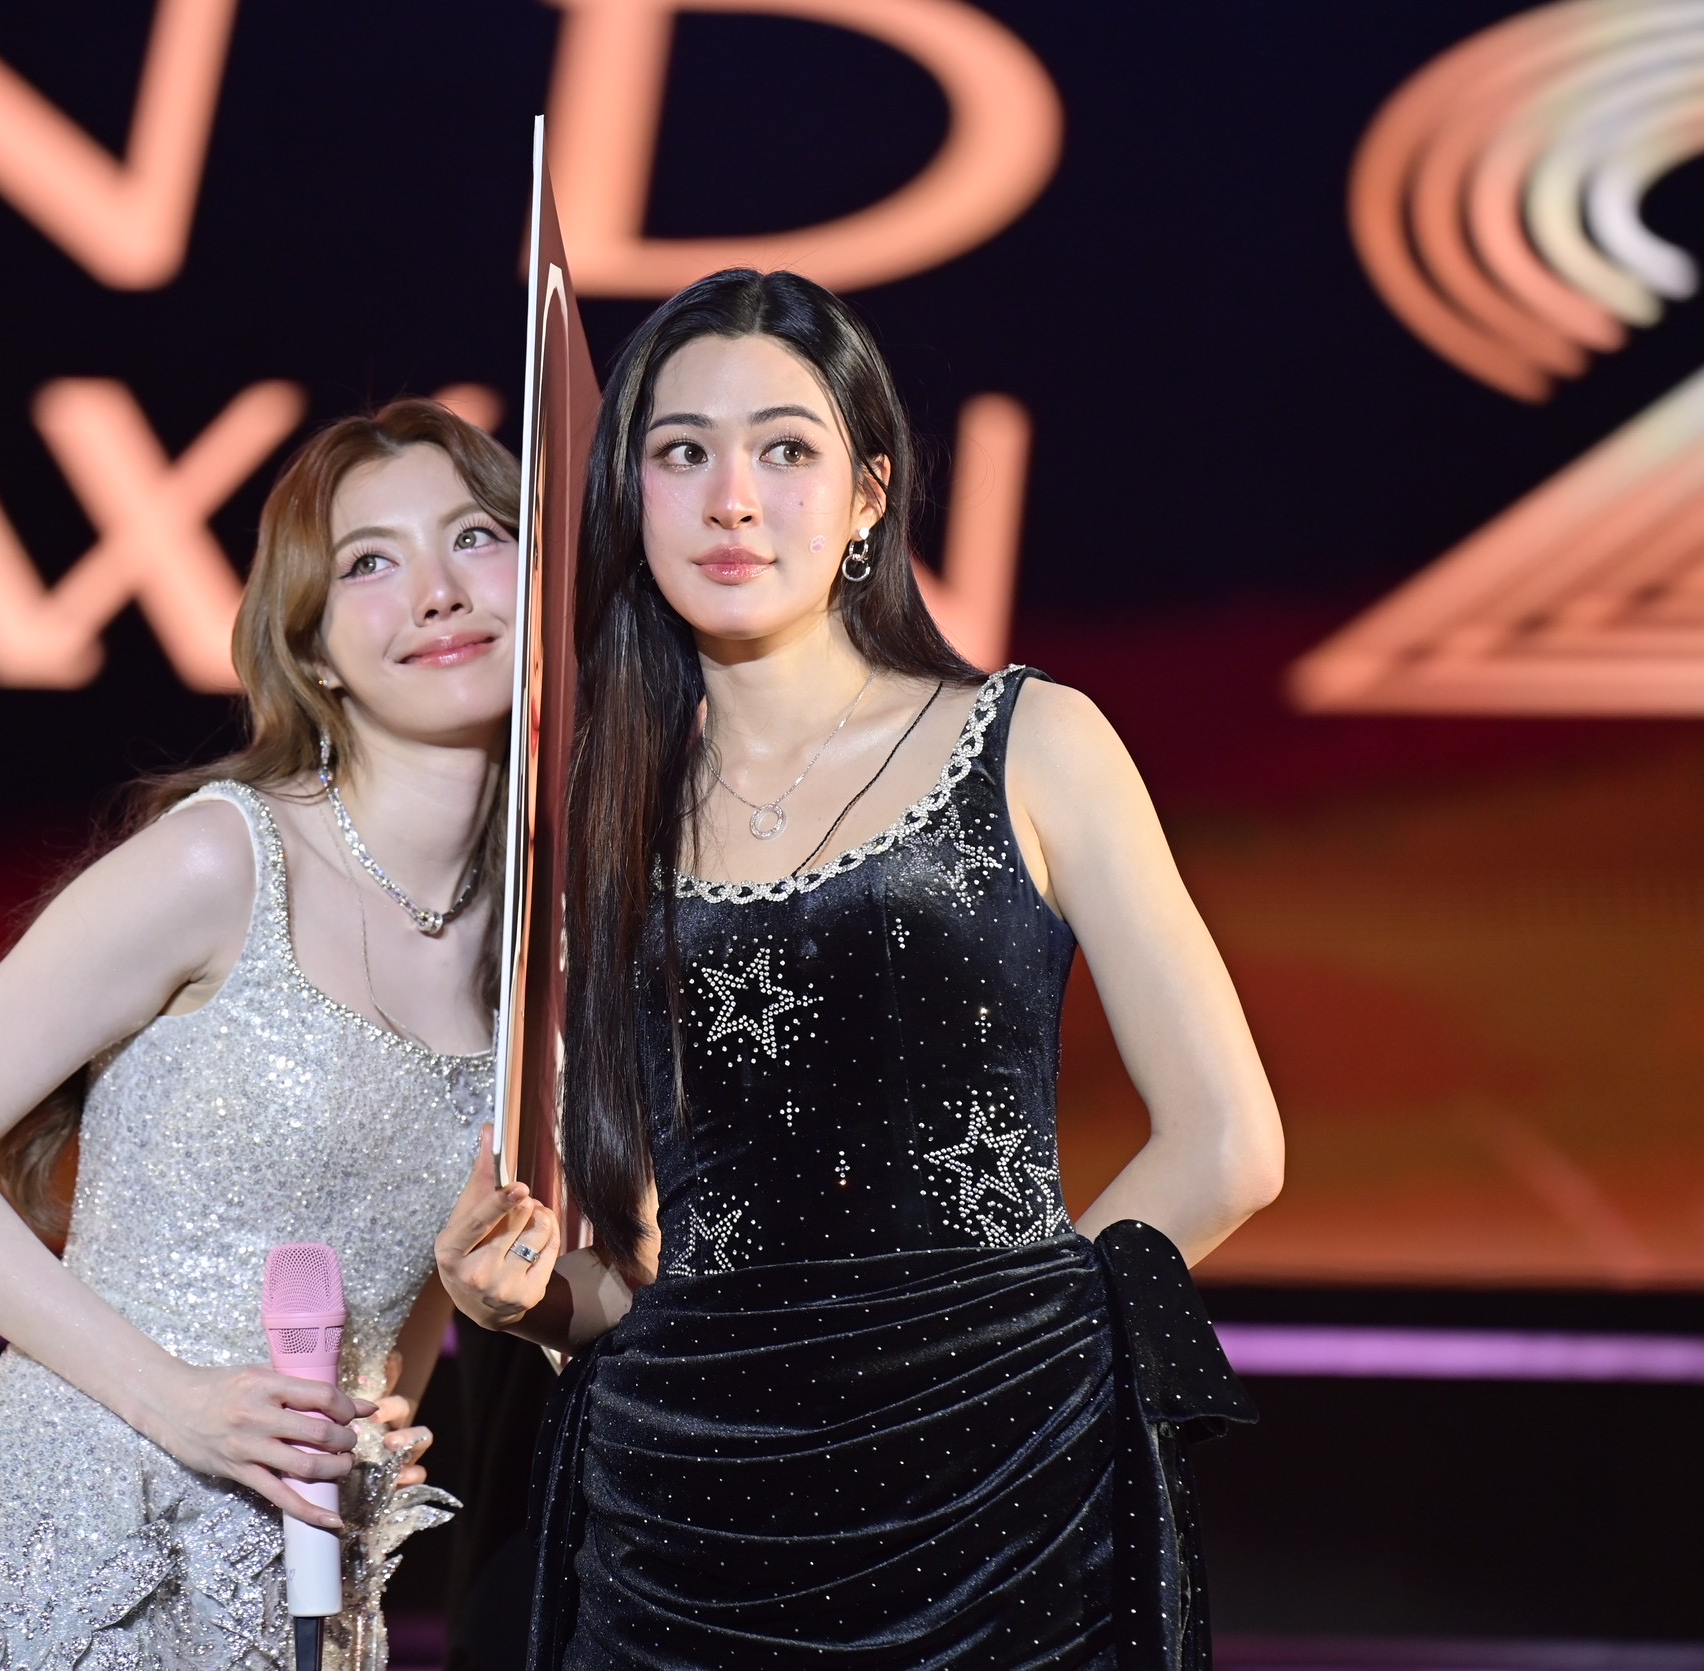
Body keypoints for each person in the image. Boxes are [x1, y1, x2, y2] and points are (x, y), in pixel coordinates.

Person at [437, 270, 1284, 1669]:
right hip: (691, 1526)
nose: (732, 500)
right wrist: (520, 1298)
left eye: (785, 449)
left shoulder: (1032, 739)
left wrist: (1014, 1358)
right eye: (681, 452)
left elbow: (1227, 1143)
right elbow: (639, 1270)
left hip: (1001, 1509)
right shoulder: (592, 817)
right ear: (628, 494)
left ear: (868, 496)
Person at [0, 399, 518, 1670]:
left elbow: (420, 1266)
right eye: (370, 562)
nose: (437, 591)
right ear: (313, 647)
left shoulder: (542, 944)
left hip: (305, 1558)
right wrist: (178, 1404)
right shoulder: (223, 861)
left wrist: (375, 1434)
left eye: (476, 537)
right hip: (90, 1531)